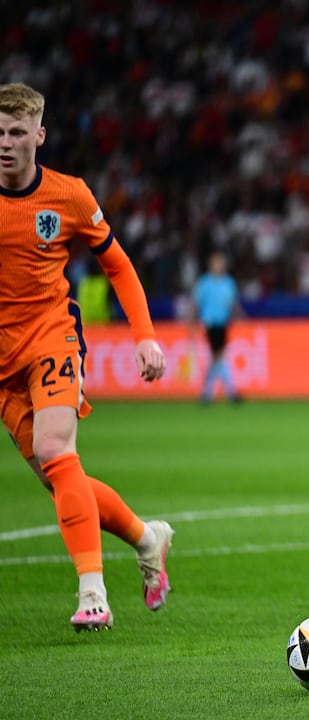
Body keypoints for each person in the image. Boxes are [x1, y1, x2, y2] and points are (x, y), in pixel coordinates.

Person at [0, 82, 174, 632]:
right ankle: (149, 538)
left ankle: (92, 592)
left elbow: (118, 264)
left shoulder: (69, 196)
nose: (5, 142)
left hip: (53, 337)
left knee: (56, 449)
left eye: (17, 132)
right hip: (3, 363)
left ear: (39, 136)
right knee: (61, 478)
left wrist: (144, 335)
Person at [192, 250, 241, 404]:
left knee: (216, 359)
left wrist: (240, 318)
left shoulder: (228, 283)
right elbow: (195, 304)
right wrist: (192, 323)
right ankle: (230, 392)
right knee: (217, 356)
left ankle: (206, 394)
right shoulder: (204, 283)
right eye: (215, 263)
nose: (218, 266)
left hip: (223, 323)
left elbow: (233, 305)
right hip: (210, 323)